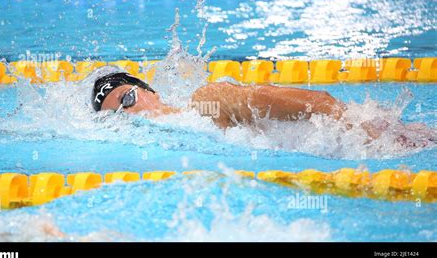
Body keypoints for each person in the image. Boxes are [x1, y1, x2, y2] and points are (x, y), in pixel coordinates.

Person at [90, 66, 432, 146]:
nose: (131, 114)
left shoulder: (207, 103)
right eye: (118, 116)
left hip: (385, 143)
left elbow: (322, 103)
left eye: (128, 99)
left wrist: (374, 137)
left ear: (150, 92)